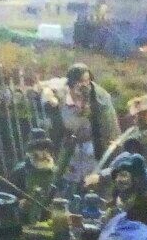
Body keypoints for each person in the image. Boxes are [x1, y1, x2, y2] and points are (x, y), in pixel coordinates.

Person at [45, 64, 118, 192]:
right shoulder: (62, 93)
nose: (84, 85)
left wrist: (112, 144)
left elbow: (110, 125)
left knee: (92, 183)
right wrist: (49, 97)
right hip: (70, 147)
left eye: (87, 81)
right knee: (68, 182)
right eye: (80, 81)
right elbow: (46, 88)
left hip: (93, 146)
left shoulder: (100, 97)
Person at [96, 94, 147, 196]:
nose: (135, 120)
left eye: (137, 115)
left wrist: (101, 177)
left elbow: (127, 164)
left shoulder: (146, 137)